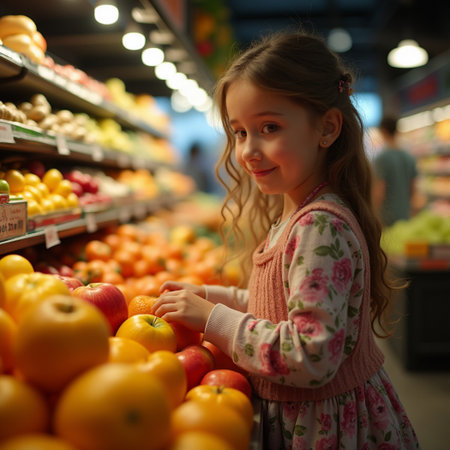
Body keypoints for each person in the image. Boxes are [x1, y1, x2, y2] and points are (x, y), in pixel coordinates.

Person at [152, 31, 420, 449]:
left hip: (325, 429)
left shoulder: (319, 227)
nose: (247, 151)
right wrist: (212, 295)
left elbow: (310, 355)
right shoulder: (297, 213)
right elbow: (282, 302)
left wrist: (212, 319)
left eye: (269, 127)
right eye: (239, 132)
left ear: (327, 128)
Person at [372, 116, 418, 226]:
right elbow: (413, 189)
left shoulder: (381, 158)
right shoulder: (409, 157)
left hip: (386, 218)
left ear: (382, 131)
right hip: (404, 215)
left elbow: (379, 191)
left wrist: (373, 215)